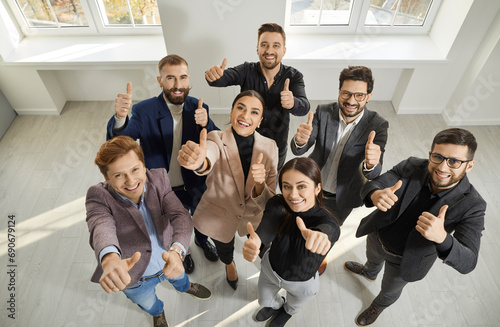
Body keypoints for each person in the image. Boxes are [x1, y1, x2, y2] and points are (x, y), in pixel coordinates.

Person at [344, 128, 486, 326]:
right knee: (372, 260)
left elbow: (468, 261)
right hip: (378, 236)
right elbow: (375, 183)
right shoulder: (412, 165)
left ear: (469, 165)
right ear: (430, 155)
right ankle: (369, 272)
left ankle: (379, 305)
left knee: (390, 289)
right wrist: (375, 194)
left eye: (454, 161)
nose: (443, 167)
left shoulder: (473, 205)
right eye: (438, 157)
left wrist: (442, 238)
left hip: (406, 259)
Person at [107, 54, 219, 274]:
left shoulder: (198, 106)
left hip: (195, 183)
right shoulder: (144, 110)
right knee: (173, 225)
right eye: (170, 78)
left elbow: (215, 143)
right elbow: (120, 145)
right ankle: (182, 250)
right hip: (164, 188)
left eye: (183, 78)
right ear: (159, 81)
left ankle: (202, 240)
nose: (178, 85)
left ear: (188, 79)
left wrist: (206, 122)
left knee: (200, 217)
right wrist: (120, 118)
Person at [86, 136, 212, 327]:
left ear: (144, 166)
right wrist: (110, 258)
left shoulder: (159, 178)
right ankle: (158, 312)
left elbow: (180, 215)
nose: (131, 181)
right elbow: (101, 225)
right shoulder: (98, 196)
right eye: (119, 175)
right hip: (136, 278)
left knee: (181, 279)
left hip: (170, 259)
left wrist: (178, 252)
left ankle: (186, 287)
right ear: (107, 178)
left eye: (135, 169)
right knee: (148, 303)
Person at [178, 90, 278, 290]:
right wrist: (199, 162)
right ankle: (229, 264)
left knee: (261, 247)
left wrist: (260, 184)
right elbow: (208, 156)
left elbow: (271, 198)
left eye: (254, 112)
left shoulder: (270, 147)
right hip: (220, 215)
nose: (245, 116)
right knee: (224, 247)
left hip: (254, 217)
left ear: (260, 121)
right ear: (231, 112)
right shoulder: (216, 138)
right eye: (240, 108)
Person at [242, 157, 340, 327]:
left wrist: (321, 236)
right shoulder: (277, 204)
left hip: (303, 283)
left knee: (295, 304)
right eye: (287, 186)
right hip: (270, 270)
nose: (293, 195)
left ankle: (287, 312)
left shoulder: (327, 221)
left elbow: (330, 230)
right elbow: (269, 222)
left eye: (301, 186)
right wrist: (257, 240)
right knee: (264, 299)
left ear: (317, 188)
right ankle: (275, 305)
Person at [291, 65, 389, 225]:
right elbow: (298, 148)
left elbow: (373, 173)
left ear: (369, 96)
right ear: (339, 91)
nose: (351, 101)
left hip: (342, 199)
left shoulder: (378, 125)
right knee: (296, 222)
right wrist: (300, 141)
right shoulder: (323, 112)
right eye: (346, 93)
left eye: (359, 95)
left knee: (324, 233)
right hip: (310, 186)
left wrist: (371, 164)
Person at [205, 22, 309, 170]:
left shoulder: (294, 76)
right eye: (264, 45)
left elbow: (304, 107)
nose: (269, 51)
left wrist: (293, 103)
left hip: (276, 144)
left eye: (276, 46)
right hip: (244, 143)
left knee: (269, 185)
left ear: (284, 50)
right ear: (257, 49)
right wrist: (213, 76)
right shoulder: (247, 69)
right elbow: (222, 78)